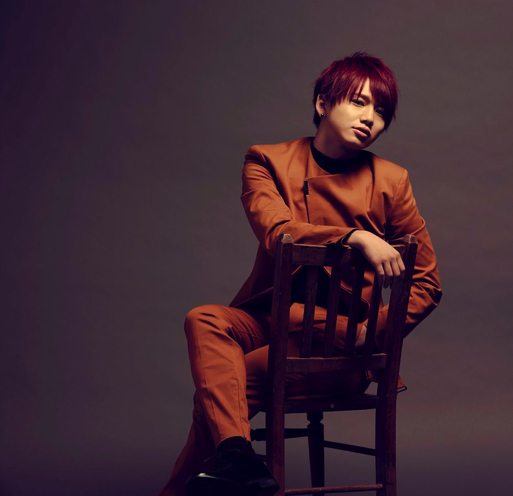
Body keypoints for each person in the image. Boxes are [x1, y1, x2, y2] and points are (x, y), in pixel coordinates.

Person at [159, 52, 442, 496]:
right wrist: (354, 237)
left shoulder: (391, 181)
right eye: (358, 102)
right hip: (272, 320)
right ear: (322, 103)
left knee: (221, 391)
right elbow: (278, 232)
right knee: (205, 319)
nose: (370, 118)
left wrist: (369, 335)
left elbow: (427, 282)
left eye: (381, 111)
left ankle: (225, 465)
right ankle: (237, 461)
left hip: (340, 346)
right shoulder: (267, 161)